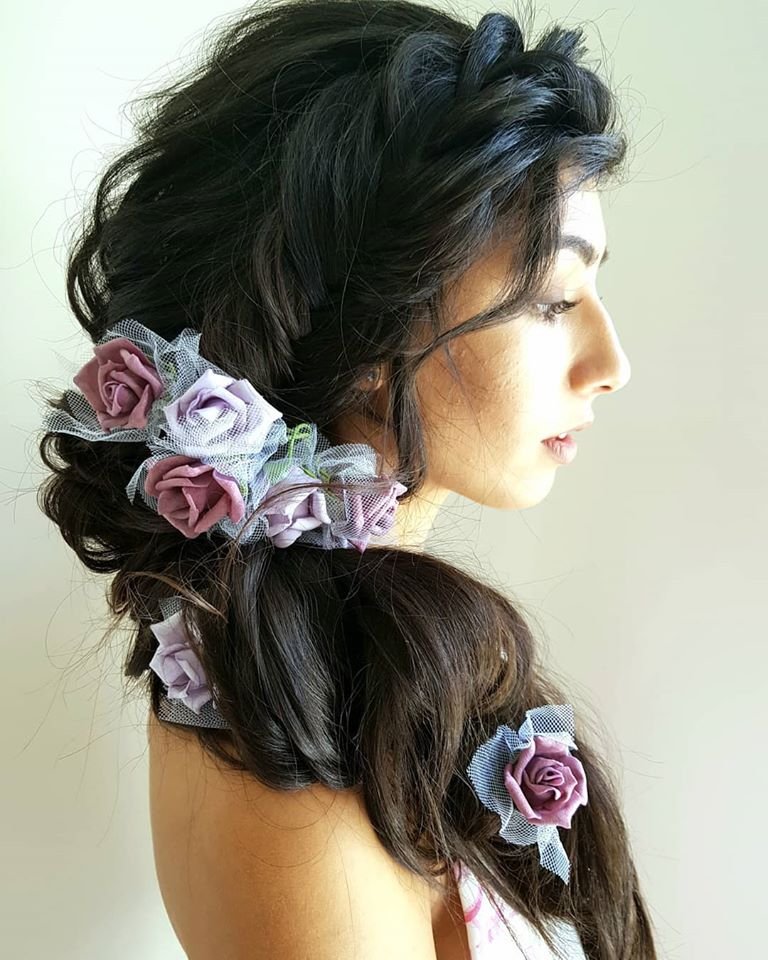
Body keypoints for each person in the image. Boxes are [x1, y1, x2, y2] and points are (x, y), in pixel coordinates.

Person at [37, 2, 656, 957]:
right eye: (551, 299)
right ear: (366, 330)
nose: (610, 363)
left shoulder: (326, 680)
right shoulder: (301, 790)